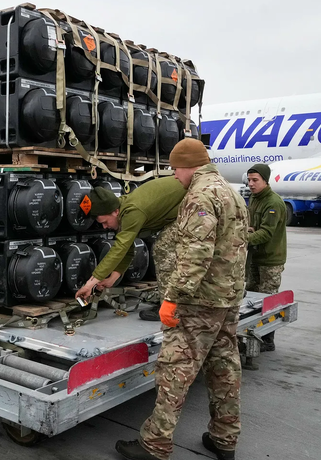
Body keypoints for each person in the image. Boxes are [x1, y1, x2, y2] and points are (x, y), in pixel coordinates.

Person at [115, 138, 248, 460]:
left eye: (175, 169)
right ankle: (224, 439)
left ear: (189, 165)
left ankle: (155, 445)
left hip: (199, 302)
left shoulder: (200, 195)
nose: (175, 176)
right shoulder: (231, 192)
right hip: (227, 298)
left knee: (175, 371)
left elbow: (195, 252)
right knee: (224, 369)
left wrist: (173, 297)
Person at [74, 177, 186, 322]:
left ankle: (171, 308)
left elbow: (120, 248)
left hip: (194, 203)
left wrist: (90, 283)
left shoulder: (132, 211)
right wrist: (111, 279)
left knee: (163, 249)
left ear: (115, 212)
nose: (104, 227)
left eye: (105, 222)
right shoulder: (122, 211)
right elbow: (127, 249)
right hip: (182, 208)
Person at [245, 163, 287, 361]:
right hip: (255, 257)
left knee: (268, 301)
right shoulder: (254, 198)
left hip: (270, 260)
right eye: (249, 180)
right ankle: (253, 335)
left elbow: (266, 233)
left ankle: (268, 339)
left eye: (255, 180)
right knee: (252, 299)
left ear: (265, 181)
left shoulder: (273, 203)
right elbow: (254, 226)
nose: (251, 184)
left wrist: (242, 238)